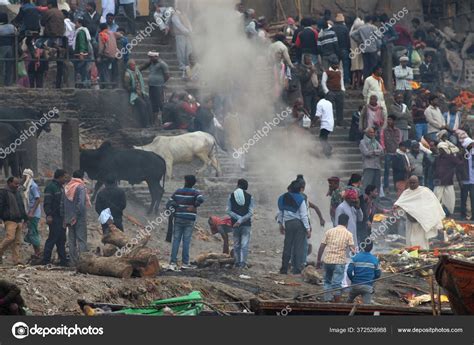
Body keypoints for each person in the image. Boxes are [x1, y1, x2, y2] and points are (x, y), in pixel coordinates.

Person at [395, 176, 445, 249]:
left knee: (421, 242)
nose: (412, 184)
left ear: (418, 183)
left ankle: (423, 252)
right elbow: (400, 204)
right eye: (410, 183)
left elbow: (432, 205)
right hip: (410, 222)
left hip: (421, 222)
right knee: (410, 241)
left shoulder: (425, 191)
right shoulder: (406, 193)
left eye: (414, 183)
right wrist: (397, 207)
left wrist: (421, 214)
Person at [166, 175, 204, 271]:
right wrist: (194, 205)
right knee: (186, 241)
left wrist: (176, 207)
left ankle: (173, 263)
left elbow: (170, 201)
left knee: (176, 240)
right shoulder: (195, 192)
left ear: (185, 181)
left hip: (178, 218)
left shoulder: (178, 191)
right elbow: (201, 199)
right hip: (189, 219)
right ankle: (185, 263)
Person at [316, 214, 356, 303]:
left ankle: (327, 301)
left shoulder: (329, 231)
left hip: (328, 261)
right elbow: (353, 250)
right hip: (339, 262)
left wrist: (318, 260)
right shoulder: (348, 234)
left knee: (327, 281)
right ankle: (337, 303)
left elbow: (322, 247)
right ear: (347, 223)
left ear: (338, 221)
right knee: (337, 283)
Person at [277, 180, 310, 275]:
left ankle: (284, 268)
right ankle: (297, 269)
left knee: (287, 246)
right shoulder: (300, 199)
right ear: (299, 189)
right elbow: (304, 215)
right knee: (298, 247)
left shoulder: (283, 197)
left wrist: (280, 224)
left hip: (288, 224)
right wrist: (307, 228)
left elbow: (281, 212)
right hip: (299, 224)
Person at [62, 170, 90, 266]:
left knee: (71, 240)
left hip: (68, 217)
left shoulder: (67, 187)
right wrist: (76, 215)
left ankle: (73, 262)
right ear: (81, 177)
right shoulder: (81, 187)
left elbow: (62, 204)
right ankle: (83, 263)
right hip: (79, 217)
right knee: (81, 239)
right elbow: (81, 204)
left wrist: (65, 217)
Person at [41, 169, 68, 266]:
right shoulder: (51, 187)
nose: (66, 179)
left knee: (61, 239)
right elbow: (47, 203)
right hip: (54, 217)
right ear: (59, 177)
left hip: (61, 217)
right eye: (64, 177)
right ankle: (45, 260)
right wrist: (49, 215)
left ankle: (63, 260)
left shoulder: (61, 187)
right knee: (52, 238)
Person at [226, 179, 255, 269]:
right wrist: (241, 220)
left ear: (238, 185)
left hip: (235, 224)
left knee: (236, 244)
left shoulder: (231, 196)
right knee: (244, 244)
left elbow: (228, 210)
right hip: (246, 224)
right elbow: (250, 213)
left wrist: (238, 220)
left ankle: (237, 262)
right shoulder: (250, 197)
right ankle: (243, 263)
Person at [0, 177, 28, 265]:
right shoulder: (3, 192)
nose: (17, 185)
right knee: (10, 238)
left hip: (18, 220)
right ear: (9, 183)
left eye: (18, 184)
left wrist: (25, 218)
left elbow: (21, 206)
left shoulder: (17, 193)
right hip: (9, 220)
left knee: (17, 242)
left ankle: (16, 260)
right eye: (15, 183)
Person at [434, 142, 464, 216]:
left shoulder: (451, 157)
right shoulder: (438, 158)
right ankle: (437, 214)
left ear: (444, 149)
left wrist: (459, 155)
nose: (439, 151)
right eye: (439, 149)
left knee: (450, 200)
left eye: (441, 149)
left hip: (448, 181)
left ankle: (449, 213)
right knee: (436, 198)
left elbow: (460, 163)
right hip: (439, 181)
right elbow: (434, 167)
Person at [40, 0, 65, 89]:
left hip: (50, 38)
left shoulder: (49, 12)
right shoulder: (61, 13)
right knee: (59, 63)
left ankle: (46, 83)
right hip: (61, 39)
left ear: (50, 5)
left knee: (45, 57)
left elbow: (42, 22)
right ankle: (58, 85)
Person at [124, 59, 154, 128]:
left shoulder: (137, 70)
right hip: (134, 94)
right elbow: (127, 87)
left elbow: (143, 66)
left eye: (135, 64)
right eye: (132, 65)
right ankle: (145, 124)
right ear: (129, 66)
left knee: (149, 103)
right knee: (143, 105)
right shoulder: (127, 74)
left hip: (142, 92)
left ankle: (151, 123)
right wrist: (134, 89)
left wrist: (150, 61)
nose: (134, 66)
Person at [139, 51, 169, 117]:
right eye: (149, 57)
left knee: (160, 102)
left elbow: (167, 75)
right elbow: (142, 67)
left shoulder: (162, 64)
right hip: (151, 85)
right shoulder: (151, 63)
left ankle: (163, 117)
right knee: (152, 102)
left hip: (159, 86)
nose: (150, 59)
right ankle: (154, 118)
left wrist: (161, 82)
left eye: (151, 57)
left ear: (156, 57)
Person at [21, 169, 41, 259]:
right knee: (31, 233)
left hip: (33, 214)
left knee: (33, 233)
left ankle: (38, 253)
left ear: (27, 176)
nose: (22, 178)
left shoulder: (33, 186)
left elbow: (38, 199)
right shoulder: (27, 187)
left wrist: (32, 212)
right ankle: (37, 252)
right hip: (29, 213)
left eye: (24, 176)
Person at [380, 115, 402, 192]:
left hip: (396, 154)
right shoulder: (384, 130)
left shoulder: (398, 131)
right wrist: (384, 149)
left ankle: (396, 186)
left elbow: (399, 141)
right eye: (388, 120)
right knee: (386, 171)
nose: (389, 121)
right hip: (388, 153)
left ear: (394, 121)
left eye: (390, 120)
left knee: (396, 171)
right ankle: (386, 187)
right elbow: (382, 140)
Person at [321, 58, 345, 127]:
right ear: (331, 64)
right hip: (330, 92)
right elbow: (323, 82)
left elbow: (341, 81)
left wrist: (343, 89)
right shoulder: (326, 72)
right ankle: (329, 122)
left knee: (340, 107)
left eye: (337, 64)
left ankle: (340, 122)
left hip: (339, 92)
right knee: (329, 108)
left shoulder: (339, 72)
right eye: (334, 64)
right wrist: (327, 91)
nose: (336, 65)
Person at [97, 23, 118, 89]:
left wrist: (99, 56)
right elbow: (121, 35)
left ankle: (107, 85)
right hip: (114, 55)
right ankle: (113, 84)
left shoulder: (101, 34)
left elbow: (101, 47)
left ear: (100, 29)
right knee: (112, 71)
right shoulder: (112, 33)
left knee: (105, 70)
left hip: (106, 55)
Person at [73, 17, 92, 88]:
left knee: (81, 70)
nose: (75, 25)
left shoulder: (81, 32)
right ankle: (84, 84)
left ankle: (83, 85)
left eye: (76, 23)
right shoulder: (83, 31)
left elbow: (82, 43)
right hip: (83, 54)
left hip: (81, 55)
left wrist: (81, 53)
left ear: (80, 24)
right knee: (83, 70)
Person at [297, 54, 318, 118]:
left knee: (314, 106)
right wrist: (310, 72)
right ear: (304, 60)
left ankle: (313, 120)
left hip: (314, 89)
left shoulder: (313, 66)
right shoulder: (301, 68)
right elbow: (303, 78)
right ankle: (307, 120)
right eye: (308, 59)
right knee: (307, 107)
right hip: (306, 90)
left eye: (310, 59)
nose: (309, 61)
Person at [332, 13, 350, 85]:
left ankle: (335, 80)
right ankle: (346, 81)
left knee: (335, 66)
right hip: (344, 49)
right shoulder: (345, 28)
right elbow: (347, 40)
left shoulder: (333, 28)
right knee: (345, 66)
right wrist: (349, 48)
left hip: (335, 49)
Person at [314, 92, 334, 157]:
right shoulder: (329, 103)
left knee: (322, 138)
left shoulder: (319, 104)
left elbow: (317, 115)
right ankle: (326, 150)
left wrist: (312, 123)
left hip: (325, 124)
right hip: (330, 123)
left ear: (318, 97)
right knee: (324, 138)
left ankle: (328, 150)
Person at [0, 13, 16, 87]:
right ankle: (8, 83)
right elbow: (16, 34)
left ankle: (1, 83)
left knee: (1, 66)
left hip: (1, 48)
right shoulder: (11, 27)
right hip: (10, 47)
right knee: (9, 66)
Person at [349, 17, 364, 89]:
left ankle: (353, 84)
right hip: (359, 53)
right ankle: (357, 84)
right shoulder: (359, 33)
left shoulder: (351, 32)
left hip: (353, 53)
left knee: (354, 69)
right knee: (359, 69)